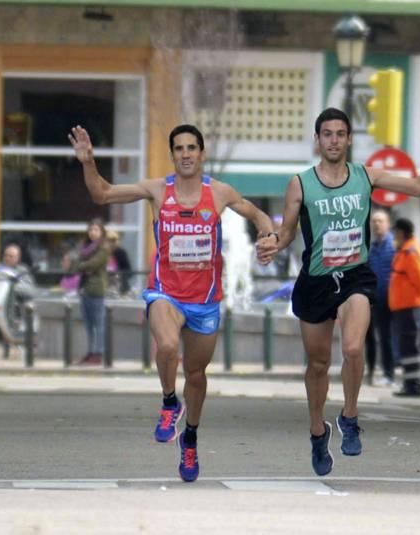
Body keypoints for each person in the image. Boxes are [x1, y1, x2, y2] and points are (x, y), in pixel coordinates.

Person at [257, 107, 420, 476]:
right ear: (318, 139)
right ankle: (316, 431)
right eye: (327, 134)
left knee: (354, 347)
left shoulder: (366, 176)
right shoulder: (301, 183)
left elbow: (418, 187)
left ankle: (350, 417)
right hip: (316, 281)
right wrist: (275, 242)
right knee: (319, 364)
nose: (334, 140)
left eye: (341, 133)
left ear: (350, 139)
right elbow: (290, 230)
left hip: (356, 275)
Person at [69, 123, 274, 482]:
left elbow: (257, 214)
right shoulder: (157, 191)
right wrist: (88, 163)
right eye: (179, 148)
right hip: (166, 292)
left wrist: (267, 233)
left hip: (205, 300)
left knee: (196, 375)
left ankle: (190, 437)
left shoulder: (220, 193)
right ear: (173, 155)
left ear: (202, 154)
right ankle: (168, 401)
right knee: (166, 344)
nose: (185, 153)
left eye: (192, 147)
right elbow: (102, 194)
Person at [388, 218, 420, 397]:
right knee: (406, 346)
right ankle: (410, 383)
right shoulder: (404, 250)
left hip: (409, 307)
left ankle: (414, 385)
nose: (394, 235)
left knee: (410, 347)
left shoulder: (410, 252)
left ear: (403, 232)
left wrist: (417, 299)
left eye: (396, 231)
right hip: (404, 307)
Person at [69, 219, 110, 366]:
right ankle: (90, 351)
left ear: (101, 232)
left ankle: (98, 353)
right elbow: (74, 265)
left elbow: (94, 263)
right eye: (91, 229)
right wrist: (81, 266)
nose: (93, 232)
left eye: (96, 230)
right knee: (88, 324)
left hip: (96, 289)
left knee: (98, 323)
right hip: (84, 288)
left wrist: (80, 265)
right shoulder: (85, 247)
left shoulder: (103, 248)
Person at [364, 209, 396, 386]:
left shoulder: (393, 246)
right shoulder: (370, 247)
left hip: (388, 300)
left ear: (387, 224)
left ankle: (388, 373)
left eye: (380, 221)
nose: (377, 224)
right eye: (374, 221)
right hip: (371, 299)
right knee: (369, 338)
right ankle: (370, 371)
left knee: (386, 337)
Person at [105, 230, 132, 296]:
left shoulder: (121, 253)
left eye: (113, 240)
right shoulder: (101, 253)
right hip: (104, 288)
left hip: (119, 287)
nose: (111, 243)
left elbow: (129, 271)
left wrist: (119, 275)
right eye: (108, 240)